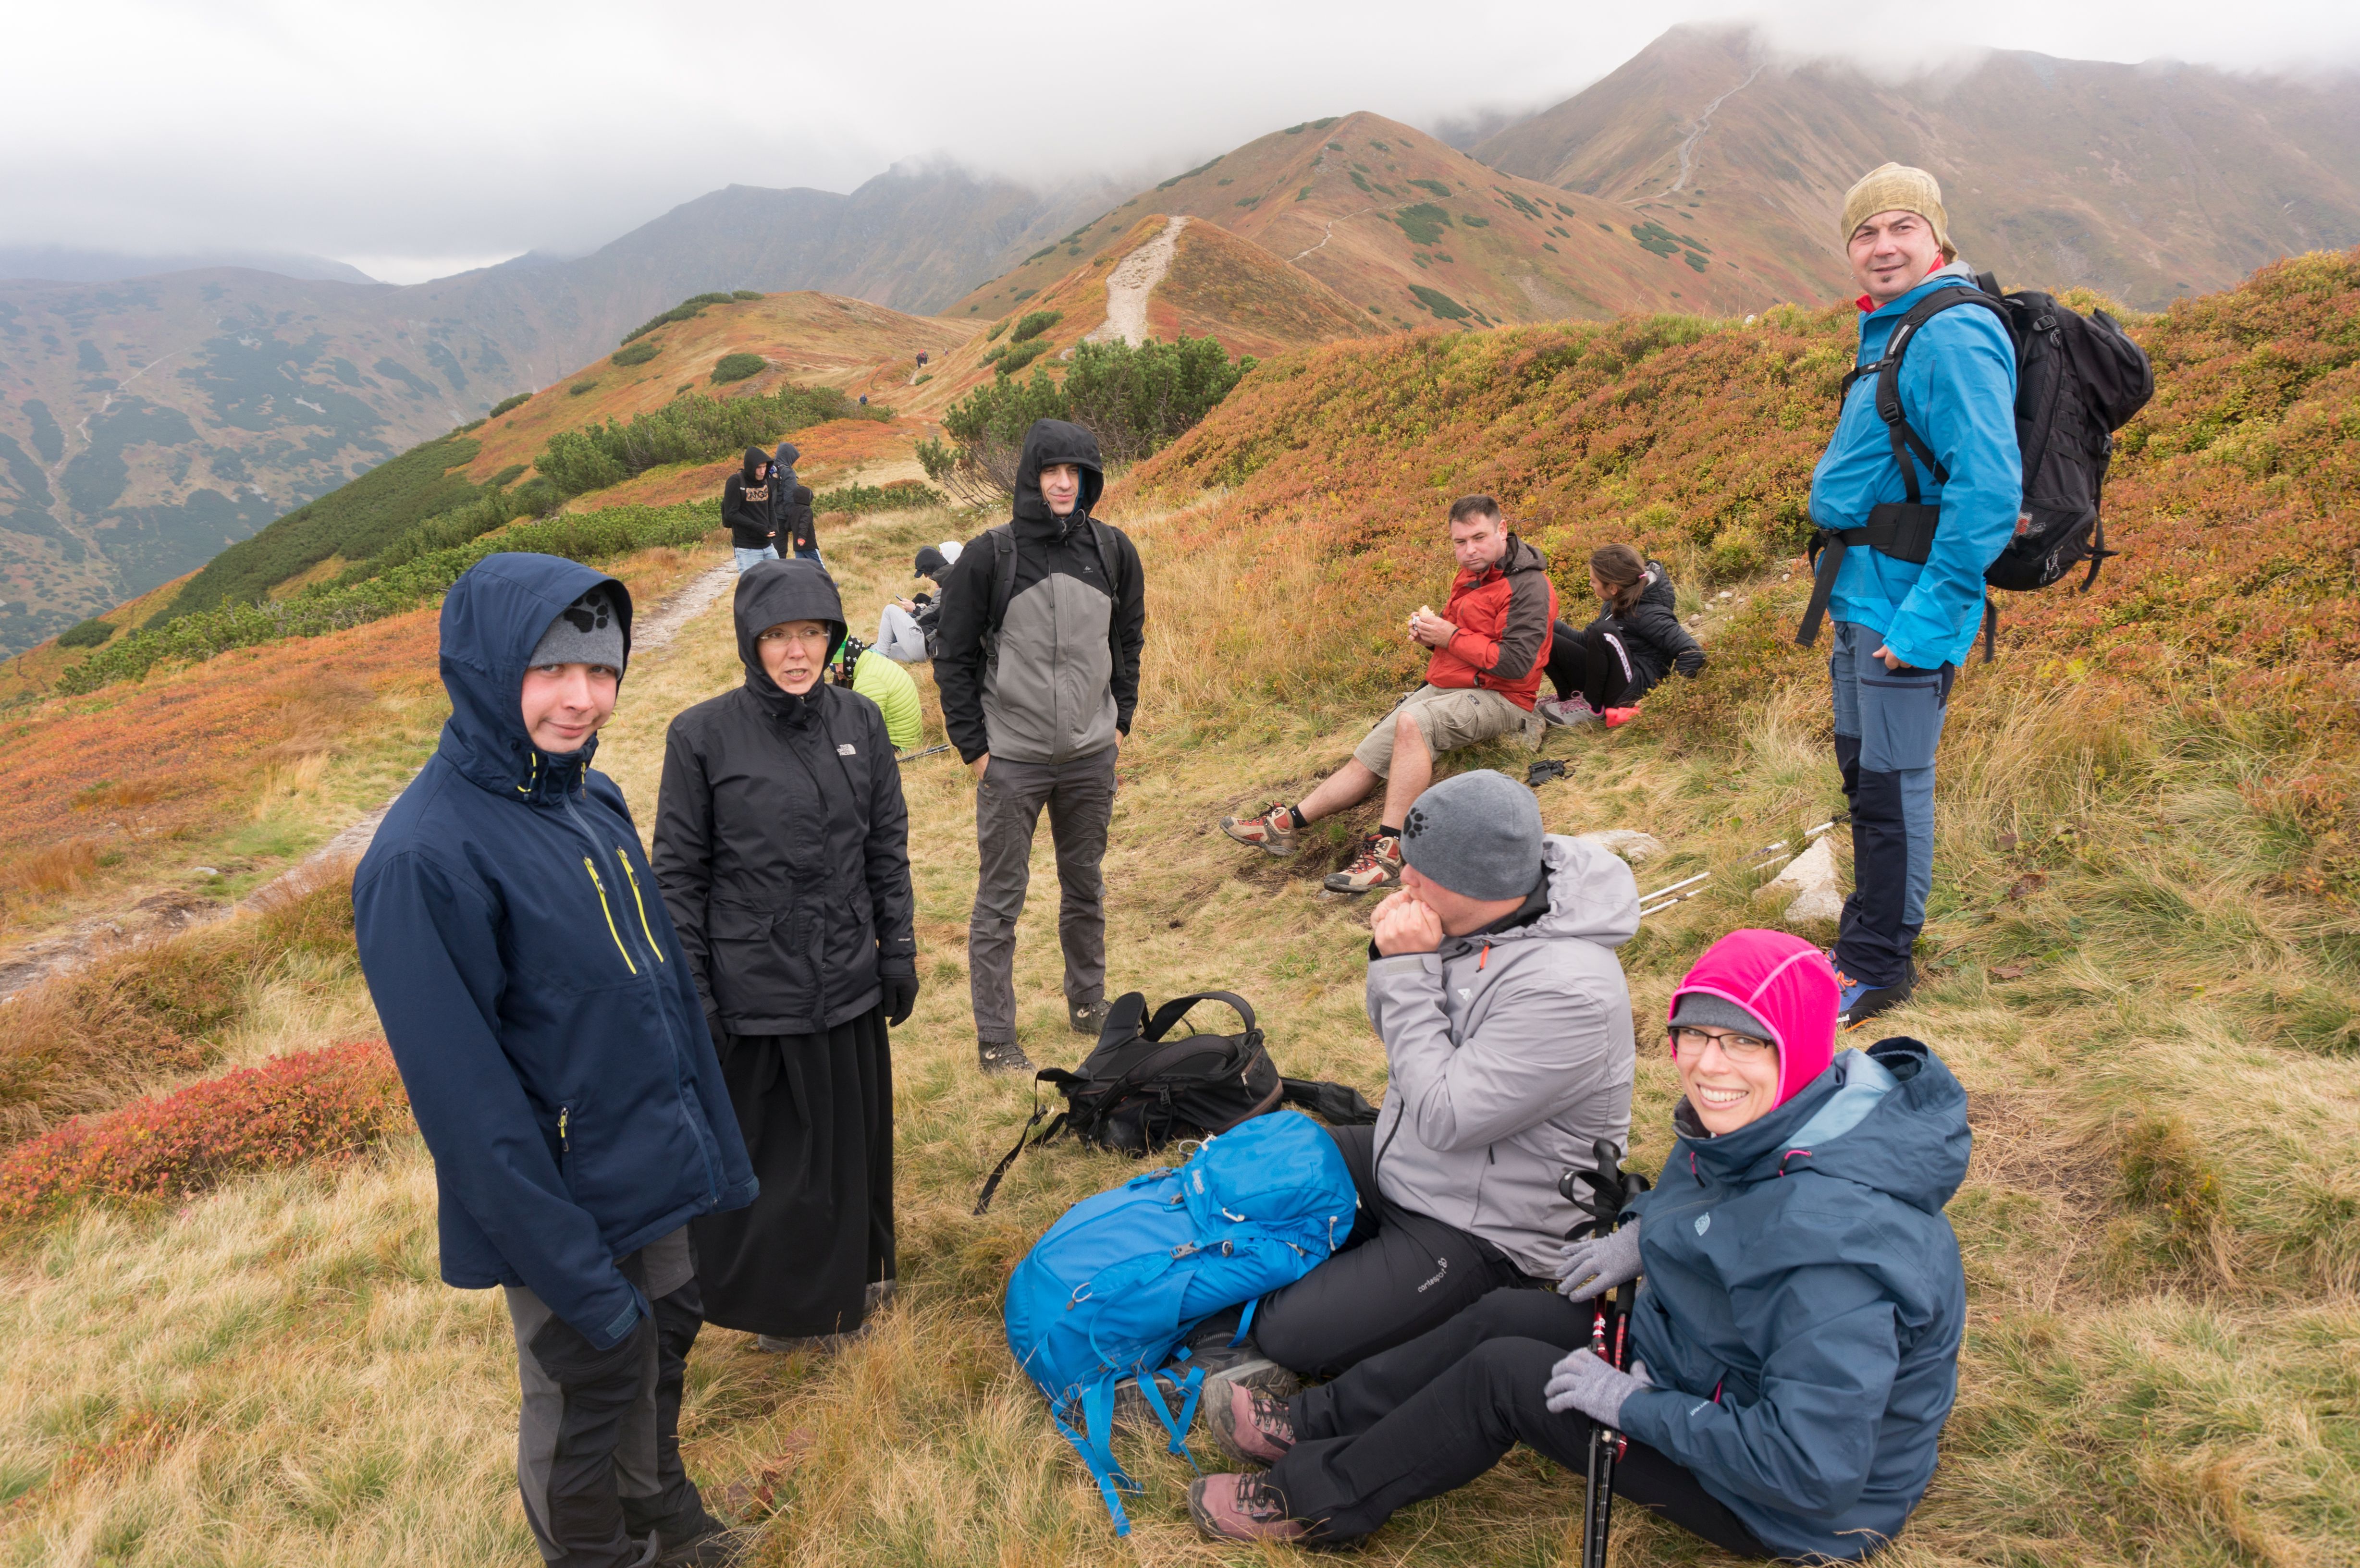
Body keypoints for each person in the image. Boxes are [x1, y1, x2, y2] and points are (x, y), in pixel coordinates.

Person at [1189, 928, 1970, 1562]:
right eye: (1691, 1032)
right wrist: (1643, 1234)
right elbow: (1720, 1211)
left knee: (1507, 1378)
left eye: (1742, 1041)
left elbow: (1811, 1470)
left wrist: (1635, 1404)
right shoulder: (1771, 1119)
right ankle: (1317, 1417)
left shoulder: (1833, 1253)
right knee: (1505, 1313)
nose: (1705, 1063)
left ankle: (1318, 1500)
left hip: (1788, 1505)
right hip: (1708, 1367)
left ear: (1794, 1047)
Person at [353, 553, 758, 1568]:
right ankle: (597, 1554)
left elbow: (657, 995)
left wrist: (712, 1151)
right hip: (557, 1200)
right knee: (588, 1375)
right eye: (551, 671)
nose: (583, 699)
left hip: (651, 1157)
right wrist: (574, 1269)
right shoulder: (423, 859)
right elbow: (469, 1113)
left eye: (603, 671)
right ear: (488, 670)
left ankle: (656, 1509)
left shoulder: (594, 801)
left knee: (660, 1340)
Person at [1244, 768, 1637, 1379]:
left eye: (1422, 870)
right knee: (1261, 1160)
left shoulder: (1568, 992)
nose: (1405, 878)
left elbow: (1449, 1117)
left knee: (1290, 1333)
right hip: (1413, 1160)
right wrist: (1395, 962)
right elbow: (1403, 1046)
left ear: (1477, 884)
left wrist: (1407, 969)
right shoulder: (1485, 916)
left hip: (1491, 1227)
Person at [651, 559, 917, 1355]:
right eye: (777, 636)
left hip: (849, 981)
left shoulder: (859, 722)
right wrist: (696, 993)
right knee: (782, 1162)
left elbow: (886, 843)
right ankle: (785, 1311)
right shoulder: (701, 736)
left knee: (852, 1144)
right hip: (756, 991)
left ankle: (857, 1279)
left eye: (811, 633)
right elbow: (678, 875)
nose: (796, 651)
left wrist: (896, 945)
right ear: (749, 642)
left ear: (832, 638)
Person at [1808, 163, 2019, 1028]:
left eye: (1902, 227)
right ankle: (1865, 934)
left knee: (1894, 788)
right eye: (1865, 231)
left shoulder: (1951, 332)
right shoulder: (1893, 331)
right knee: (1866, 779)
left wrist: (1929, 619)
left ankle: (1880, 964)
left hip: (1905, 611)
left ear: (1938, 239)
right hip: (1864, 599)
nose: (1882, 245)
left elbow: (1989, 488)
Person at [931, 417, 1144, 1075]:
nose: (1063, 483)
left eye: (1075, 472)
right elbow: (953, 656)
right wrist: (976, 749)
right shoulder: (989, 556)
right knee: (1000, 900)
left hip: (1089, 756)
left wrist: (1120, 721)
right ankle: (997, 1039)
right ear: (1030, 475)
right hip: (1012, 760)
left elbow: (1129, 638)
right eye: (1052, 470)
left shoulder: (1113, 551)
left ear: (1089, 480)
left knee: (1086, 887)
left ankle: (1089, 1005)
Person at [1221, 496, 1556, 894]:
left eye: (1479, 538)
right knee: (1372, 750)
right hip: (1454, 685)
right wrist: (1432, 636)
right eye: (1459, 542)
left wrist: (1449, 636)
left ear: (1502, 530)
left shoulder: (1530, 586)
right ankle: (1285, 826)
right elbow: (1467, 638)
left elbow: (1517, 663)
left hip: (1503, 698)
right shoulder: (1469, 577)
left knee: (1415, 723)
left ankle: (1388, 854)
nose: (1469, 551)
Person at [1536, 543, 1706, 729]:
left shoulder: (1650, 613)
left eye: (1594, 581)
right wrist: (1547, 620)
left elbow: (1691, 652)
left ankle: (1592, 706)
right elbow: (1584, 641)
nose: (1590, 584)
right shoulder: (1615, 603)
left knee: (1604, 632)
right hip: (1611, 680)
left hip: (1631, 691)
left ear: (1613, 588)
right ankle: (1568, 696)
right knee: (1541, 631)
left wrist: (1661, 697)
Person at [833, 633, 923, 752]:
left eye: (837, 665)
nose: (838, 672)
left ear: (848, 658)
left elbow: (865, 730)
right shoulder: (874, 660)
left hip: (898, 745)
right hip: (910, 739)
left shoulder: (868, 680)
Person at [875, 541, 961, 663]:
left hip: (925, 643)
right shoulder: (960, 584)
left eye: (941, 554)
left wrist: (915, 610)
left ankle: (880, 658)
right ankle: (875, 653)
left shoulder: (948, 587)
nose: (928, 577)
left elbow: (926, 618)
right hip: (926, 650)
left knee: (890, 610)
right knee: (877, 648)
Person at [721, 448, 776, 572]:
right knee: (752, 588)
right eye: (759, 468)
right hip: (747, 548)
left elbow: (770, 507)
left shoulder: (766, 481)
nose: (763, 471)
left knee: (778, 584)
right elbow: (731, 513)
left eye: (765, 467)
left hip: (768, 546)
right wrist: (759, 528)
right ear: (751, 467)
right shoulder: (736, 481)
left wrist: (774, 526)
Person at [779, 482, 822, 566]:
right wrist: (802, 538)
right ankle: (826, 579)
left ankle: (806, 579)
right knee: (819, 566)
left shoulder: (792, 510)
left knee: (801, 567)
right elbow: (804, 524)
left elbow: (788, 527)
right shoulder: (807, 510)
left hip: (797, 547)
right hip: (809, 545)